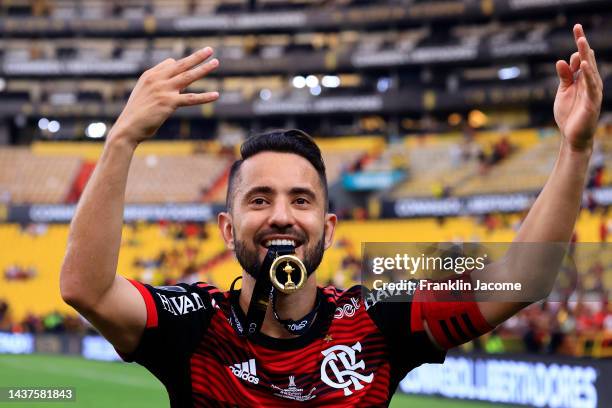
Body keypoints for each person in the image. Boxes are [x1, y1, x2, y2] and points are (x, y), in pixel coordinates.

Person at [60, 24, 603, 407]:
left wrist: (574, 150)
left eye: (301, 200)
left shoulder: (380, 321)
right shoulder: (195, 323)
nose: (281, 216)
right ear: (227, 230)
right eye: (258, 199)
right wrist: (123, 137)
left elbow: (523, 277)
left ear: (329, 226)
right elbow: (86, 287)